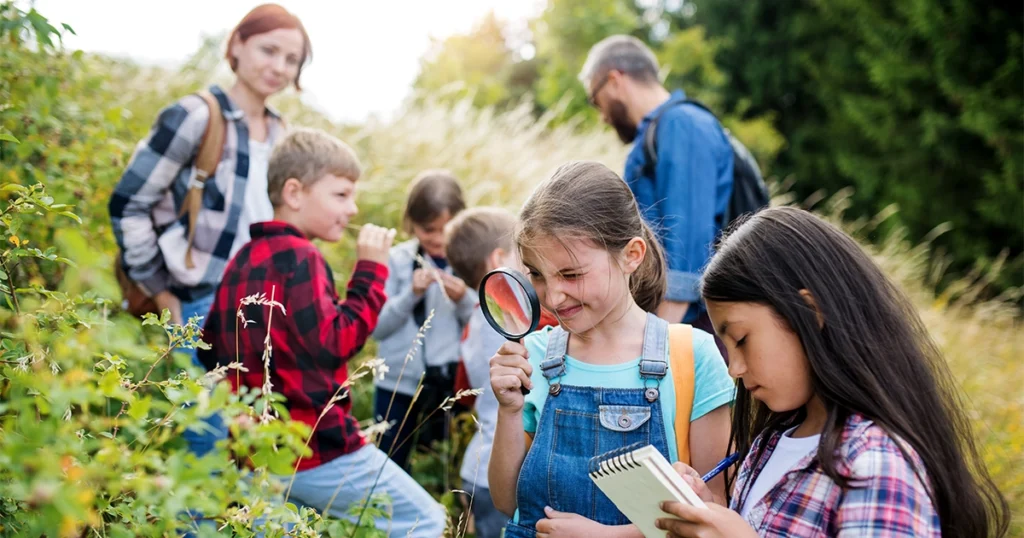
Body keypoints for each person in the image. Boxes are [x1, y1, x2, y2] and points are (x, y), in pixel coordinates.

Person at [654, 207, 1009, 538]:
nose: (735, 368)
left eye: (742, 339)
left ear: (810, 312)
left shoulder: (874, 465)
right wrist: (711, 513)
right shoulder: (770, 444)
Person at [197, 128, 446, 536]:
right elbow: (337, 343)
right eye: (341, 195)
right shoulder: (303, 257)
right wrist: (371, 270)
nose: (352, 209)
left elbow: (210, 351)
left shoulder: (242, 258)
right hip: (317, 446)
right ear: (295, 193)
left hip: (256, 451)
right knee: (424, 520)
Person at [487, 161, 735, 537]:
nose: (553, 296)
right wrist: (509, 410)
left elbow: (714, 508)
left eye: (571, 274)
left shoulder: (690, 355)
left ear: (631, 255)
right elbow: (507, 502)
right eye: (537, 274)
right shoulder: (533, 354)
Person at [109, 3, 311, 457]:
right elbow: (128, 204)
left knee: (257, 447)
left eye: (291, 59)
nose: (279, 67)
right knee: (208, 442)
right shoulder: (197, 115)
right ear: (238, 44)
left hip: (263, 310)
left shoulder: (284, 133)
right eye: (269, 50)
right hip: (200, 302)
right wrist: (163, 294)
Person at [578, 35, 734, 339]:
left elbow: (687, 251)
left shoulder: (681, 124)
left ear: (614, 80)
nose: (602, 116)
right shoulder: (657, 132)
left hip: (693, 329)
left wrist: (655, 346)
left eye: (596, 100)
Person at [444, 207, 558, 538]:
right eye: (525, 262)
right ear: (499, 260)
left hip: (476, 464)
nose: (530, 272)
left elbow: (464, 387)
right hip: (500, 469)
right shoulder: (514, 320)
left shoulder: (476, 319)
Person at [372, 170, 477, 470]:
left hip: (451, 385)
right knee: (388, 464)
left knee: (446, 467)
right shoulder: (396, 260)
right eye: (428, 230)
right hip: (396, 384)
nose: (439, 240)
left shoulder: (471, 262)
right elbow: (377, 328)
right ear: (411, 224)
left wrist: (463, 301)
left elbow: (484, 325)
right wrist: (410, 294)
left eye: (447, 229)